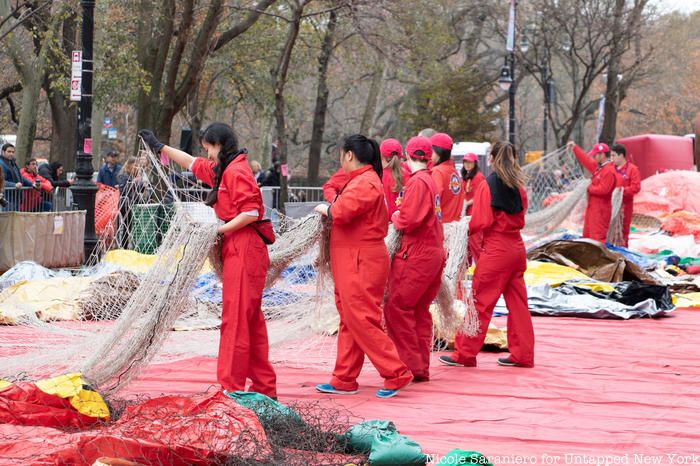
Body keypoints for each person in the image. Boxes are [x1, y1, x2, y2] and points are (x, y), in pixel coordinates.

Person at [139, 124, 277, 399]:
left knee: (236, 320)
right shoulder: (224, 170)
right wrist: (160, 147)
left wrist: (216, 231)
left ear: (219, 145)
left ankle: (232, 388)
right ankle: (264, 387)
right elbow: (191, 163)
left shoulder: (236, 172)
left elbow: (251, 211)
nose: (207, 154)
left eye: (208, 149)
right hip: (239, 246)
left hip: (245, 246)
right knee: (249, 321)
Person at [313, 134, 413, 399]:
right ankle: (344, 378)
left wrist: (325, 208)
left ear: (349, 155)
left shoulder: (366, 182)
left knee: (361, 318)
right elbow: (335, 193)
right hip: (352, 257)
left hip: (361, 258)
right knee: (349, 318)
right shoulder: (362, 180)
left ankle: (395, 372)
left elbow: (341, 212)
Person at [440, 142, 534, 368]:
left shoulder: (487, 184)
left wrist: (461, 229)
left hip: (496, 250)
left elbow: (482, 220)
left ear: (491, 158)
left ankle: (464, 354)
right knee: (519, 305)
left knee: (480, 303)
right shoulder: (518, 186)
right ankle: (523, 354)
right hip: (517, 249)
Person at [384, 136, 444, 382]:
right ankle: (420, 366)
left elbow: (409, 220)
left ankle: (408, 366)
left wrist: (397, 216)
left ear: (408, 156)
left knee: (397, 307)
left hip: (417, 253)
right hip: (433, 252)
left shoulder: (418, 183)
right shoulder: (430, 180)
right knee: (419, 311)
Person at [568, 141, 619, 243]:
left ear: (602, 155)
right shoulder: (599, 168)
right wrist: (575, 148)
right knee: (587, 236)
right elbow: (586, 161)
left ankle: (597, 258)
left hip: (601, 210)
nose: (594, 157)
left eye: (595, 155)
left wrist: (589, 188)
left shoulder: (609, 171)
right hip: (593, 208)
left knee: (597, 237)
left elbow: (604, 190)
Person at [611, 143, 641, 247]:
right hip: (610, 205)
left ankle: (622, 254)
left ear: (621, 155)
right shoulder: (610, 168)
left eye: (613, 155)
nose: (612, 158)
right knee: (609, 230)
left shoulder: (632, 169)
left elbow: (636, 187)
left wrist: (621, 191)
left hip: (625, 206)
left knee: (623, 232)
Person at [430, 133, 464, 223]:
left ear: (438, 152)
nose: (429, 155)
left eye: (431, 151)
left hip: (441, 228)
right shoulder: (454, 172)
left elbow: (433, 202)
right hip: (454, 229)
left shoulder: (437, 172)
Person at [462, 153, 486, 264]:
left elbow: (479, 196)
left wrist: (466, 203)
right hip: (466, 215)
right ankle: (469, 271)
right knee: (466, 246)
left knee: (476, 244)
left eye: (470, 162)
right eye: (465, 162)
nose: (467, 164)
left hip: (474, 215)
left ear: (475, 163)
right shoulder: (466, 177)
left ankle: (482, 269)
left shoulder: (478, 177)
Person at [1, 143, 33, 210]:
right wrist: (14, 185)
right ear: (3, 152)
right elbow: (1, 181)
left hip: (16, 198)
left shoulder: (13, 163)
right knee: (6, 219)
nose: (11, 154)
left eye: (13, 152)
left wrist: (32, 184)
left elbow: (20, 178)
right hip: (6, 198)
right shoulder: (1, 164)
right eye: (9, 151)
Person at [379, 138, 405, 218]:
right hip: (404, 221)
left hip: (387, 224)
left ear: (381, 156)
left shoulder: (379, 176)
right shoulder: (408, 173)